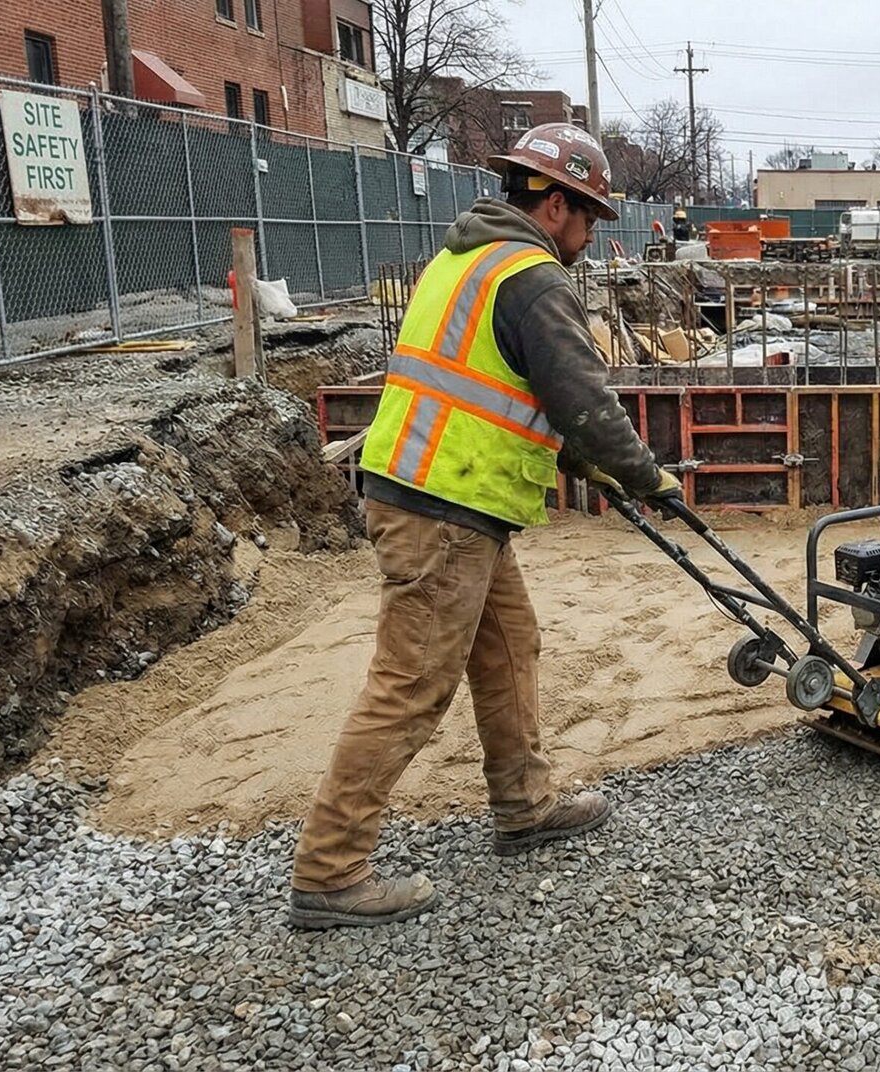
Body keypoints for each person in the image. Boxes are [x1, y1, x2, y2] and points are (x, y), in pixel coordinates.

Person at [287, 123, 682, 930]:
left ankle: (524, 804)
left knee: (508, 645)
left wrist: (582, 464)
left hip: (449, 494)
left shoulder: (461, 258)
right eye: (591, 216)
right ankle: (329, 870)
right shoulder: (531, 277)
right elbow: (583, 403)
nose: (591, 233)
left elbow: (498, 390)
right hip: (442, 507)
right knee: (412, 682)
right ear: (558, 202)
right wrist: (645, 475)